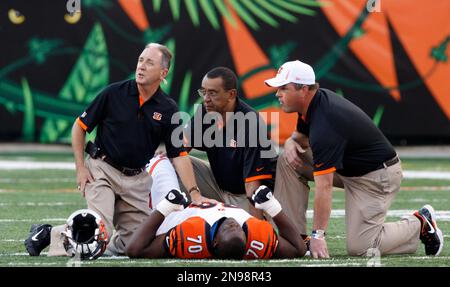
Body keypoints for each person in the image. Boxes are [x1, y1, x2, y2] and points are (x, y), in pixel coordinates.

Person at [24, 42, 213, 258]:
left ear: (163, 72)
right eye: (141, 60)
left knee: (137, 244)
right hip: (102, 169)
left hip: (137, 180)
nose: (141, 66)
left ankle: (56, 234)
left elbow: (178, 154)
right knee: (97, 231)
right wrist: (80, 169)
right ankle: (53, 234)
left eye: (149, 62)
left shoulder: (168, 108)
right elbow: (79, 127)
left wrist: (195, 193)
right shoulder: (114, 93)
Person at [264, 60, 444, 258]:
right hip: (349, 170)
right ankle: (297, 239)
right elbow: (300, 137)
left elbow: (324, 187)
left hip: (376, 177)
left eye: (283, 88)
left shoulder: (326, 122)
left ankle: (419, 224)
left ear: (303, 89)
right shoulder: (313, 103)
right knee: (288, 159)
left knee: (362, 247)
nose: (277, 94)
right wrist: (290, 142)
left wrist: (318, 235)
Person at [180, 67, 277, 218]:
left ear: (231, 94)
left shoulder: (251, 123)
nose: (206, 98)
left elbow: (253, 184)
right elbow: (179, 149)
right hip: (218, 186)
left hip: (246, 195)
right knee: (171, 161)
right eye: (203, 92)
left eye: (212, 93)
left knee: (236, 238)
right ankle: (170, 219)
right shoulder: (205, 111)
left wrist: (255, 230)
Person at [126, 186, 307, 259]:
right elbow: (298, 249)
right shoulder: (256, 240)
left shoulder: (189, 238)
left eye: (228, 229)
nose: (233, 223)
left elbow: (134, 249)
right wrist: (273, 208)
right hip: (217, 198)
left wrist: (165, 207)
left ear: (215, 241)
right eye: (238, 229)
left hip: (176, 211)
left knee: (162, 164)